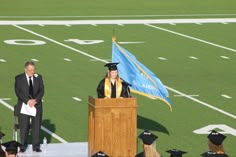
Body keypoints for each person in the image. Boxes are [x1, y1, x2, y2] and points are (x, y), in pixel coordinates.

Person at [14, 61, 44, 152]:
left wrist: (35, 100)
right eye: (30, 70)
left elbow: (42, 90)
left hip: (36, 105)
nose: (32, 72)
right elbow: (18, 92)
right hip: (24, 106)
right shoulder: (19, 78)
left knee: (36, 126)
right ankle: (23, 145)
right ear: (25, 69)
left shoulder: (38, 77)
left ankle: (36, 146)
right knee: (24, 126)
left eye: (33, 70)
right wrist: (28, 101)